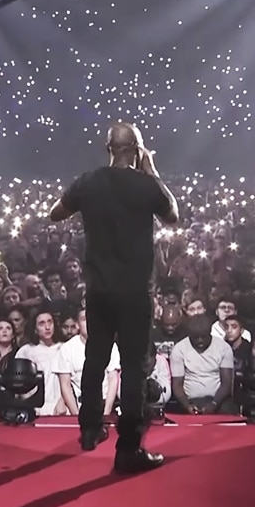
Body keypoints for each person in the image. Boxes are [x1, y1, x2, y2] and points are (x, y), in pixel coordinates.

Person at [49, 122, 178, 474]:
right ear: (137, 149)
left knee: (96, 357)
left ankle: (90, 429)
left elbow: (55, 213)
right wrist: (150, 170)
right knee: (135, 367)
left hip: (100, 289)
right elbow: (173, 216)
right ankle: (129, 449)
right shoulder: (145, 183)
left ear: (108, 148)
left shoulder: (89, 181)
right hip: (135, 291)